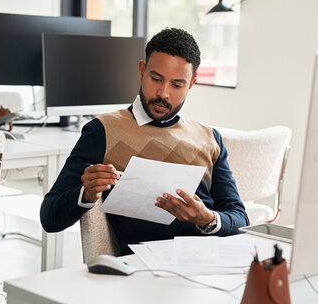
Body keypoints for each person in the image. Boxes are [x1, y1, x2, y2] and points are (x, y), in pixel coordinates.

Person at [40, 28, 249, 255]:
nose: (163, 93)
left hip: (209, 260)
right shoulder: (103, 131)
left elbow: (239, 218)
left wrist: (207, 218)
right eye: (156, 78)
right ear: (142, 70)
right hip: (145, 270)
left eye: (177, 84)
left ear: (191, 83)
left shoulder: (209, 138)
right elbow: (49, 218)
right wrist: (86, 194)